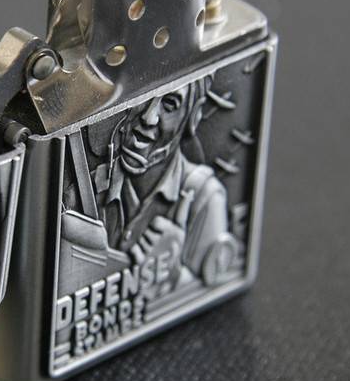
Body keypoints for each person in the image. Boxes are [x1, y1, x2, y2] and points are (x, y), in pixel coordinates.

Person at [63, 75, 239, 292]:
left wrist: (175, 274)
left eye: (170, 104)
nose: (149, 118)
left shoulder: (205, 197)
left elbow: (216, 283)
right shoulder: (84, 192)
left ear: (193, 116)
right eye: (142, 96)